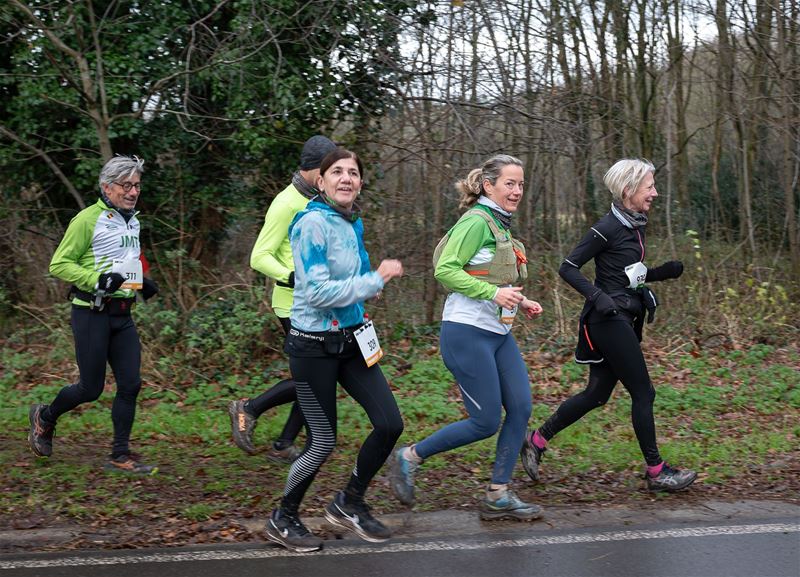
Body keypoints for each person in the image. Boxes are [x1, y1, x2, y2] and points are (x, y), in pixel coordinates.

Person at [519, 158, 697, 493]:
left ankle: (536, 440)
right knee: (644, 393)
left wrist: (661, 272)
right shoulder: (607, 227)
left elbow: (627, 275)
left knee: (596, 394)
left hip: (618, 317)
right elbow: (568, 267)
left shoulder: (633, 224)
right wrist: (600, 298)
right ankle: (657, 472)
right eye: (649, 187)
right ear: (629, 190)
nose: (655, 193)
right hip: (607, 320)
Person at [264, 147, 405, 553]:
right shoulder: (310, 224)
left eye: (354, 173)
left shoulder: (350, 222)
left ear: (360, 183)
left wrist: (367, 286)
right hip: (311, 347)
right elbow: (317, 291)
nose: (346, 178)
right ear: (321, 181)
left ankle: (349, 501)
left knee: (390, 424)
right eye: (337, 172)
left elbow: (357, 278)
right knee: (323, 441)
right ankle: (284, 516)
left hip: (350, 340)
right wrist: (375, 280)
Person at [388, 154, 544, 521]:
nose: (517, 191)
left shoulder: (500, 224)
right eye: (510, 183)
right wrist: (494, 295)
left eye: (521, 184)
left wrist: (518, 300)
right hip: (466, 332)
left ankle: (498, 494)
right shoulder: (475, 221)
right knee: (485, 421)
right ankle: (410, 456)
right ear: (489, 186)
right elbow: (445, 270)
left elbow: (492, 279)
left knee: (520, 407)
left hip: (498, 333)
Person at [28, 155, 159, 474]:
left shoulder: (133, 219)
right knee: (91, 388)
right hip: (91, 314)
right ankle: (45, 416)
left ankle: (119, 454)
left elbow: (128, 258)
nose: (132, 192)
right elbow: (58, 264)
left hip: (123, 314)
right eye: (125, 185)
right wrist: (97, 280)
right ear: (106, 187)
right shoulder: (87, 219)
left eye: (137, 185)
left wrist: (142, 281)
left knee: (131, 384)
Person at [228, 135, 337, 463]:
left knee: (319, 378)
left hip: (324, 303)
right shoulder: (287, 202)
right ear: (316, 170)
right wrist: (292, 277)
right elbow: (259, 256)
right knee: (318, 378)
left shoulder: (322, 200)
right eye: (330, 168)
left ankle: (283, 443)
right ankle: (249, 409)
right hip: (294, 304)